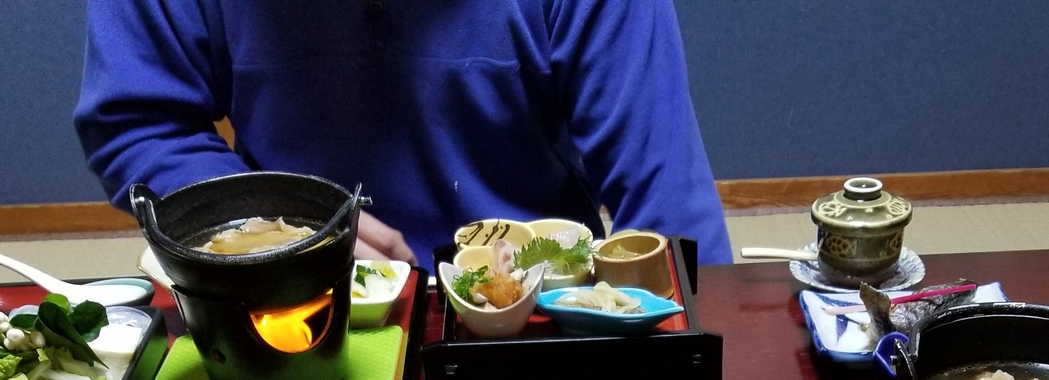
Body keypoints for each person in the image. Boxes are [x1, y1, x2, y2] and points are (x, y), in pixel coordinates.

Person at [74, 0, 733, 266]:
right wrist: (266, 224)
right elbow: (138, 123)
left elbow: (673, 215)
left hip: (534, 304)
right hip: (285, 296)